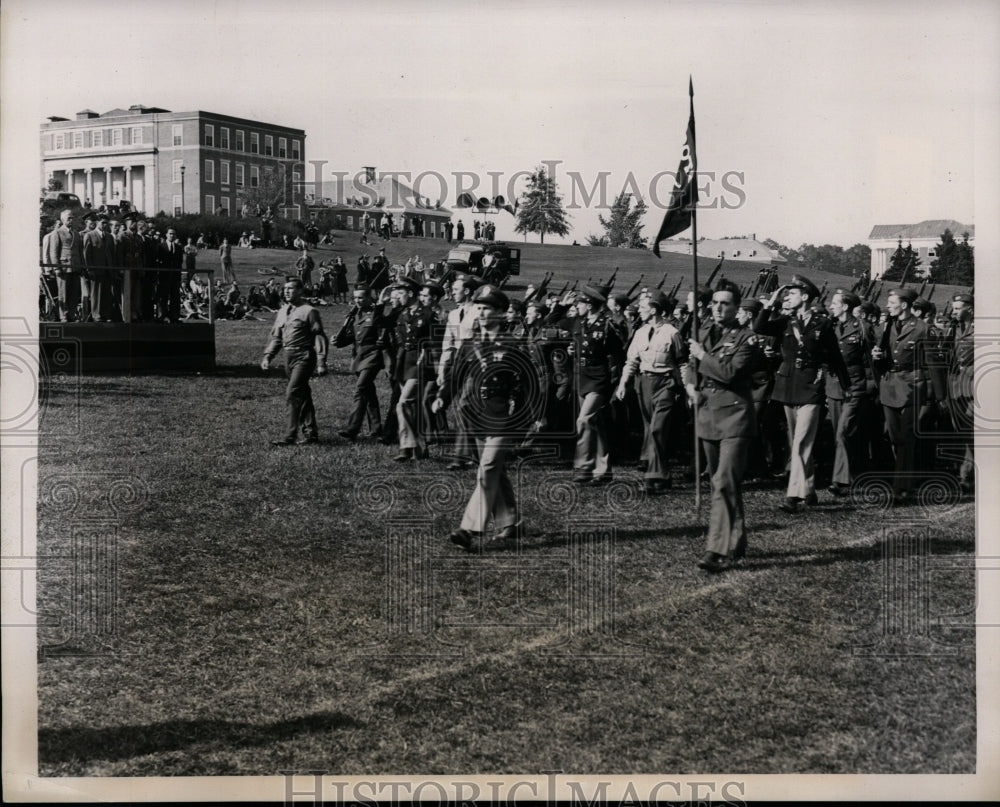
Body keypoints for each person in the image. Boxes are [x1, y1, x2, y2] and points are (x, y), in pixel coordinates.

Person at [435, 285, 545, 552]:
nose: (482, 313)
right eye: (479, 308)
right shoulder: (470, 343)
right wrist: (443, 398)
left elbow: (531, 381)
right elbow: (456, 376)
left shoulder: (513, 344)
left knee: (486, 470)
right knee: (496, 471)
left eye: (487, 308)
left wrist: (537, 415)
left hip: (505, 417)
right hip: (477, 416)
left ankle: (468, 529)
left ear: (500, 313)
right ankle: (511, 523)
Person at [752, 275, 850, 513]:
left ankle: (793, 495)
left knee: (801, 442)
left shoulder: (822, 324)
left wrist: (845, 386)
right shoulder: (786, 321)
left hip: (811, 387)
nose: (788, 297)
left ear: (805, 297)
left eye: (793, 293)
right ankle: (809, 489)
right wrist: (771, 302)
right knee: (797, 441)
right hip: (788, 387)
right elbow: (759, 327)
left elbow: (835, 356)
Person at [685, 283, 759, 573]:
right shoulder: (703, 334)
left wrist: (702, 357)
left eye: (725, 303)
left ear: (736, 308)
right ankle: (737, 540)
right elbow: (690, 366)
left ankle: (717, 549)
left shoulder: (747, 339)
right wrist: (690, 386)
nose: (717, 307)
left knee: (724, 482)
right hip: (708, 415)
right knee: (725, 483)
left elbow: (730, 373)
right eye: (715, 302)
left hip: (735, 418)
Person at [871, 287, 945, 504]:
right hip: (890, 386)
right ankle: (906, 480)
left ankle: (901, 488)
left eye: (891, 302)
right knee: (895, 437)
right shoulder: (887, 326)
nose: (887, 306)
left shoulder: (923, 329)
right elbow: (884, 357)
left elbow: (933, 362)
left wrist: (940, 396)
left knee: (906, 437)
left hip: (913, 384)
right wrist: (877, 356)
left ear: (904, 305)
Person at [614, 290, 685, 494]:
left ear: (654, 310)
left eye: (644, 308)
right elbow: (631, 361)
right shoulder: (640, 332)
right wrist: (623, 383)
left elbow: (682, 363)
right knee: (650, 429)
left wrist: (687, 388)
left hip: (666, 383)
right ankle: (663, 473)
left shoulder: (672, 333)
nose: (640, 311)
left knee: (657, 429)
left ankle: (654, 476)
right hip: (644, 384)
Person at [261, 279, 329, 445]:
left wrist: (321, 362)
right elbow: (277, 337)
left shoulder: (309, 311)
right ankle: (311, 434)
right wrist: (268, 356)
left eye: (291, 288)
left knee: (293, 392)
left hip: (304, 356)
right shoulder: (283, 311)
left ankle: (290, 436)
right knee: (302, 394)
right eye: (285, 289)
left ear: (300, 291)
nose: (286, 291)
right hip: (288, 356)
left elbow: (319, 336)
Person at [570, 285, 625, 485]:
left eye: (581, 303)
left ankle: (584, 467)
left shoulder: (607, 326)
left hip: (599, 378)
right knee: (597, 424)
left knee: (583, 420)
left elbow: (617, 354)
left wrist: (614, 381)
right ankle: (603, 470)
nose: (577, 305)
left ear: (590, 305)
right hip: (582, 376)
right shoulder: (581, 323)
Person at [825, 289, 877, 495]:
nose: (831, 306)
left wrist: (871, 386)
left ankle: (840, 481)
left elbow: (871, 361)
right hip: (833, 386)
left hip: (855, 386)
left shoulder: (862, 328)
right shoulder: (830, 326)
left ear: (845, 307)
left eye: (835, 303)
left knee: (843, 431)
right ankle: (854, 473)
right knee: (841, 434)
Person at [436, 273, 482, 470]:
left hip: (477, 364)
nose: (452, 292)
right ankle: (476, 455)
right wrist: (442, 370)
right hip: (459, 363)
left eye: (456, 289)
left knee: (464, 405)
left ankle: (461, 457)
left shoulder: (480, 311)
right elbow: (448, 343)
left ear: (467, 291)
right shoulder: (454, 314)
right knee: (464, 409)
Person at [947, 292, 974, 492]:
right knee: (962, 430)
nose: (953, 312)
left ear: (969, 309)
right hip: (956, 385)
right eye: (953, 308)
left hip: (974, 385)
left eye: (957, 308)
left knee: (973, 430)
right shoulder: (953, 329)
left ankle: (967, 475)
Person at [48, 209, 83, 322]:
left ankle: (72, 314)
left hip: (75, 267)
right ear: (62, 220)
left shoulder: (77, 233)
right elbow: (54, 252)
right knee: (63, 292)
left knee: (74, 292)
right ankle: (63, 315)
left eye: (72, 218)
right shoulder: (57, 233)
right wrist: (56, 267)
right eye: (69, 218)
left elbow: (80, 251)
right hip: (63, 267)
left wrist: (81, 266)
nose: (71, 220)